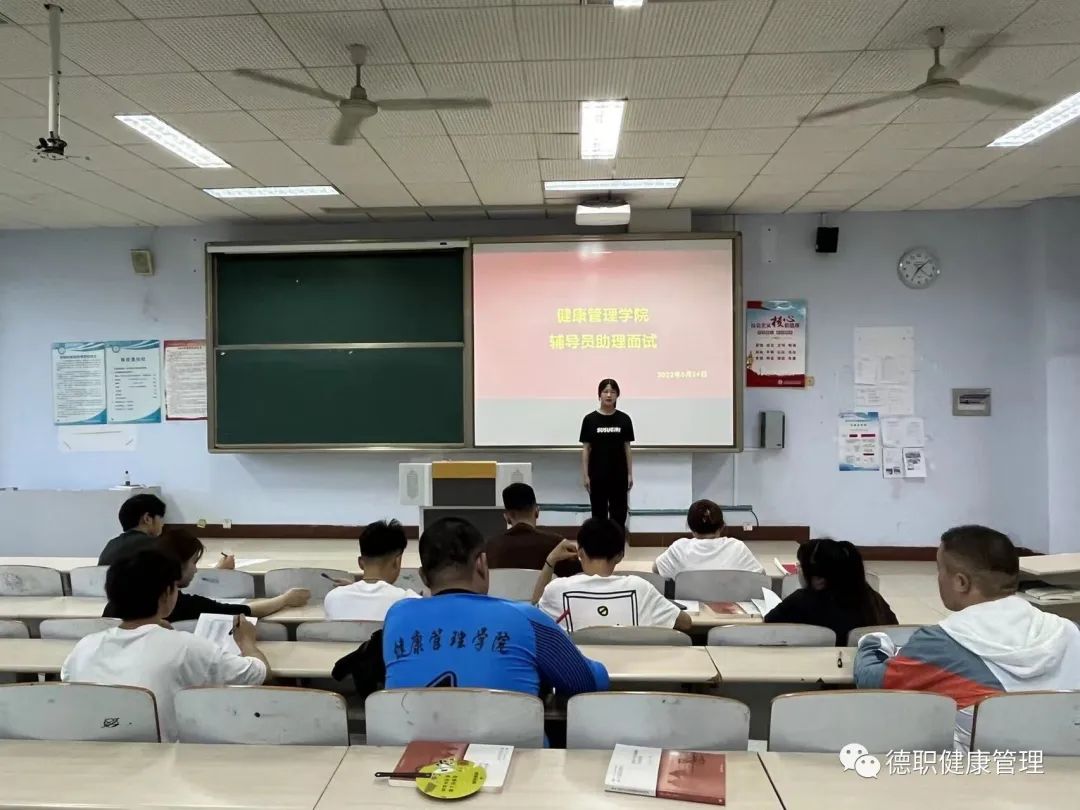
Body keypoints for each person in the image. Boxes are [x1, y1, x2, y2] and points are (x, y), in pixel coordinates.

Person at [855, 525, 1080, 751]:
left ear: (961, 582)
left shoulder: (940, 643)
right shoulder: (1069, 631)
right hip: (1067, 762)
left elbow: (872, 679)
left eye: (940, 569)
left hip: (979, 768)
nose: (938, 578)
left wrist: (872, 640)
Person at [380, 517, 609, 696]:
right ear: (482, 564)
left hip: (417, 743)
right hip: (510, 744)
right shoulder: (527, 620)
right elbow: (588, 683)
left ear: (423, 576)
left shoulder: (397, 617)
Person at [62, 548, 268, 742]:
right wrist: (247, 642)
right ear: (166, 595)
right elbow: (257, 674)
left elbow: (68, 676)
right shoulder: (185, 647)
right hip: (161, 757)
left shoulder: (85, 647)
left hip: (91, 755)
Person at [102, 528, 310, 623]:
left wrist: (218, 572)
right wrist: (285, 599)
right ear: (177, 565)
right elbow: (245, 611)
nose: (196, 569)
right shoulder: (184, 606)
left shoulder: (117, 604)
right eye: (194, 562)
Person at [535, 517, 692, 633]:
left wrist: (550, 560)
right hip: (632, 666)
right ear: (620, 556)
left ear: (580, 553)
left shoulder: (557, 589)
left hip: (575, 668)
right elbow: (685, 623)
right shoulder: (640, 588)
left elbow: (532, 615)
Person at [764, 538, 896, 645]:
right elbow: (894, 630)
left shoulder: (800, 600)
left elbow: (767, 627)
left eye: (800, 566)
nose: (798, 570)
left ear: (819, 580)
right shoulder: (872, 598)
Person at [324, 520, 421, 621]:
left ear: (360, 563)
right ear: (397, 561)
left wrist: (352, 586)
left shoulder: (333, 598)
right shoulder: (411, 601)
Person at [486, 483, 581, 577]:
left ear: (507, 517)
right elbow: (579, 577)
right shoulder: (558, 545)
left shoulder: (490, 547)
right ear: (537, 511)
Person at [653, 500, 765, 578]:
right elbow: (761, 576)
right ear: (722, 526)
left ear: (691, 528)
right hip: (730, 605)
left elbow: (656, 569)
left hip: (691, 606)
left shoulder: (679, 548)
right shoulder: (737, 547)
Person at [580, 378, 634, 528]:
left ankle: (618, 543)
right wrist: (586, 475)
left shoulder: (624, 419)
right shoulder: (590, 420)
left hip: (619, 475)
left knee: (619, 514)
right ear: (599, 395)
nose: (609, 395)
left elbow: (627, 448)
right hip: (597, 475)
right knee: (598, 515)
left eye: (613, 392)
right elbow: (586, 449)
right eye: (605, 391)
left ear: (617, 395)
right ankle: (600, 543)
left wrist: (630, 474)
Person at [98, 493, 167, 566]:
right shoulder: (154, 545)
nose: (162, 524)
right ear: (147, 518)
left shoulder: (110, 546)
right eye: (161, 518)